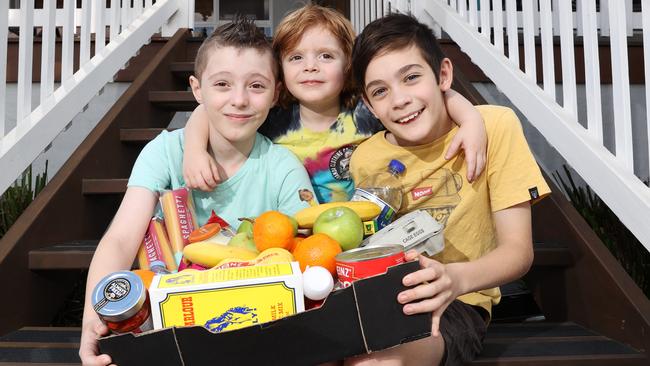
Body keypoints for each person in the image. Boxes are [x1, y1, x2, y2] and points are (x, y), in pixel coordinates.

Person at [78, 18, 315, 366]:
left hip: (258, 331)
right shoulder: (164, 154)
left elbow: (306, 252)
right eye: (222, 84)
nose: (239, 100)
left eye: (256, 86)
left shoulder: (283, 168)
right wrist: (91, 321)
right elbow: (120, 239)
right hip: (169, 331)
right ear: (197, 89)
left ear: (276, 92)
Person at [347, 13, 551, 365]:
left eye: (411, 77)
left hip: (459, 300)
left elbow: (519, 252)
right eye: (380, 91)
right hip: (382, 295)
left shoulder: (494, 127)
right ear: (368, 103)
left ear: (443, 74)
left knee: (376, 363)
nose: (399, 100)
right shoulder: (365, 159)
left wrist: (453, 279)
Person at [182, 4, 488, 204]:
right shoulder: (275, 118)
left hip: (367, 232)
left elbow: (443, 97)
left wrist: (472, 121)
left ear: (348, 65)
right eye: (296, 57)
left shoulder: (365, 112)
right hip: (295, 233)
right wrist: (194, 151)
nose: (310, 66)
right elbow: (205, 111)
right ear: (280, 70)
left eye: (326, 56)